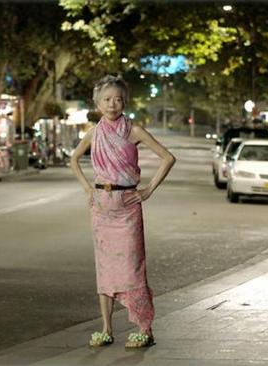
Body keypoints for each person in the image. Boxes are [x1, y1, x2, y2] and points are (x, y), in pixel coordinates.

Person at [70, 75, 176, 348]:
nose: (112, 104)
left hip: (128, 206)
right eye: (107, 99)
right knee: (104, 269)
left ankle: (144, 328)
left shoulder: (134, 131)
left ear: (125, 102)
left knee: (133, 268)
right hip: (101, 206)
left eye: (118, 99)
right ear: (97, 103)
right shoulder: (94, 133)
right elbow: (73, 158)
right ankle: (106, 328)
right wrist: (87, 189)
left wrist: (149, 189)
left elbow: (168, 157)